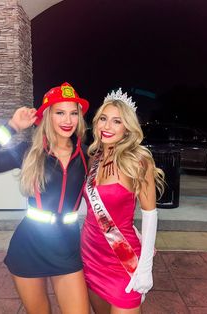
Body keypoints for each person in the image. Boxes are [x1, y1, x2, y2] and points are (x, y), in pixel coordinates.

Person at [0, 82, 91, 314]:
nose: (67, 120)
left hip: (67, 246)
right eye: (60, 112)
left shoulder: (88, 155)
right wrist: (11, 127)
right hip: (29, 245)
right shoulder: (29, 151)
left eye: (73, 113)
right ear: (47, 116)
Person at [81, 88, 165, 314]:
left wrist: (145, 267)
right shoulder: (93, 157)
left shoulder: (139, 160)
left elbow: (150, 213)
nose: (107, 127)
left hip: (122, 259)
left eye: (116, 121)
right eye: (103, 119)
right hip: (89, 252)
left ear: (127, 127)